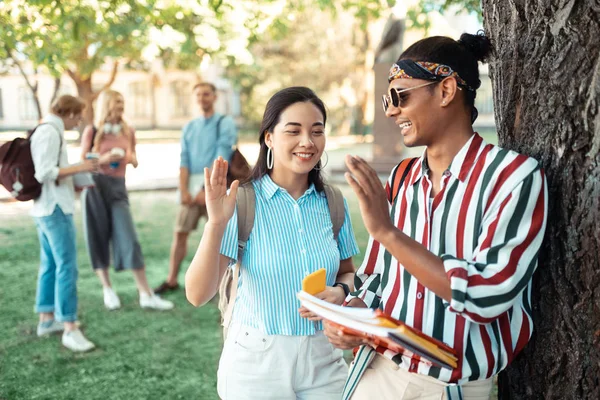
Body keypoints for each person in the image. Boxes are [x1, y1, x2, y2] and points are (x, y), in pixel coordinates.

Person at [325, 32, 548, 400]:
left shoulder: (514, 177)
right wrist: (353, 316)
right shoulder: (402, 177)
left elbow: (486, 295)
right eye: (387, 100)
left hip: (448, 387)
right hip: (376, 371)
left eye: (400, 97)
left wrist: (387, 232)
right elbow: (379, 276)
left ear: (445, 91)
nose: (391, 110)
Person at [185, 87, 360, 399]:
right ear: (268, 137)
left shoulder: (333, 201)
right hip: (256, 361)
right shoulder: (242, 202)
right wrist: (215, 223)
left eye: (316, 131)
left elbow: (348, 272)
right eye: (293, 131)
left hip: (325, 359)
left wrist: (340, 291)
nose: (307, 142)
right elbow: (197, 295)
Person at [80, 90, 173, 311]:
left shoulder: (128, 130)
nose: (121, 108)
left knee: (129, 238)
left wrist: (129, 158)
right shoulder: (92, 131)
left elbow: (135, 159)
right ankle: (107, 289)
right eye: (117, 104)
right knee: (97, 237)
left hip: (118, 187)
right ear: (107, 106)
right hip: (95, 186)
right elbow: (83, 161)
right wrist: (103, 159)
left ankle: (146, 294)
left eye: (122, 104)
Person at [154, 82, 238, 294]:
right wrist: (183, 190)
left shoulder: (224, 123)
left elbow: (222, 155)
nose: (202, 98)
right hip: (191, 191)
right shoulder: (190, 127)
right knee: (180, 233)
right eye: (199, 94)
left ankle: (223, 285)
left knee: (222, 237)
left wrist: (206, 189)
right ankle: (172, 279)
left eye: (206, 94)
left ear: (214, 97)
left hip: (214, 189)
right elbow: (184, 159)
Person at [31, 95, 99, 352]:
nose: (79, 120)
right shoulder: (50, 132)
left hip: (46, 207)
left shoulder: (47, 130)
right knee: (66, 267)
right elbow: (44, 172)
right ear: (68, 113)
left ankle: (47, 319)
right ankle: (69, 327)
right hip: (55, 208)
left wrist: (76, 171)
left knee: (50, 264)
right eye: (78, 115)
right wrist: (80, 167)